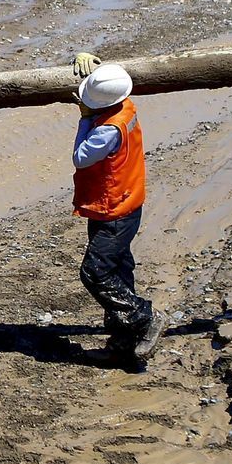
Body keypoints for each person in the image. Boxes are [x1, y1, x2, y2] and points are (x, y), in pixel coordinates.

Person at [70, 52, 166, 368]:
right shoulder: (126, 105)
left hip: (113, 209)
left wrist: (84, 118)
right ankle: (123, 342)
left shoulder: (107, 130)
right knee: (118, 270)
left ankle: (144, 318)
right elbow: (112, 78)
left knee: (95, 273)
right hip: (126, 201)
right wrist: (88, 61)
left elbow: (80, 157)